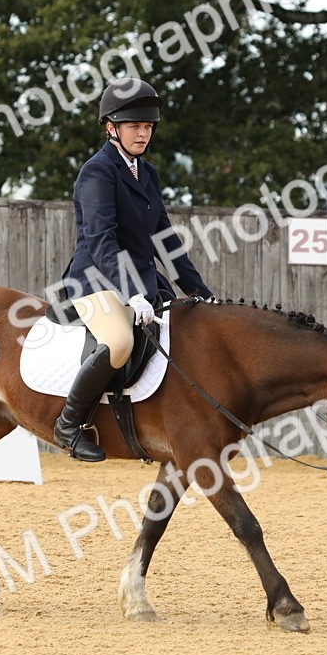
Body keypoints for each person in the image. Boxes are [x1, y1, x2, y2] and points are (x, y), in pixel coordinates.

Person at [53, 77, 215, 463]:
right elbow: (101, 240)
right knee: (121, 341)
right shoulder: (98, 172)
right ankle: (69, 424)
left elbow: (166, 241)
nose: (143, 134)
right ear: (112, 128)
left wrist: (200, 292)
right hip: (95, 281)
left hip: (142, 284)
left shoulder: (148, 173)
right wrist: (131, 293)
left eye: (147, 127)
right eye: (134, 127)